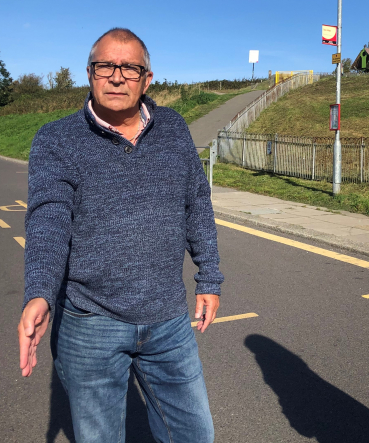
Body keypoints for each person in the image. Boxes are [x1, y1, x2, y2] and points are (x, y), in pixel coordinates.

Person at [17, 28, 223, 443]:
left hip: (169, 321)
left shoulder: (173, 127)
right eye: (105, 66)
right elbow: (48, 222)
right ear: (90, 74)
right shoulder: (56, 139)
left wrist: (210, 277)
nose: (116, 76)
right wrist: (39, 292)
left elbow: (197, 202)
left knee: (195, 435)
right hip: (91, 324)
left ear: (147, 80)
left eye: (130, 68)